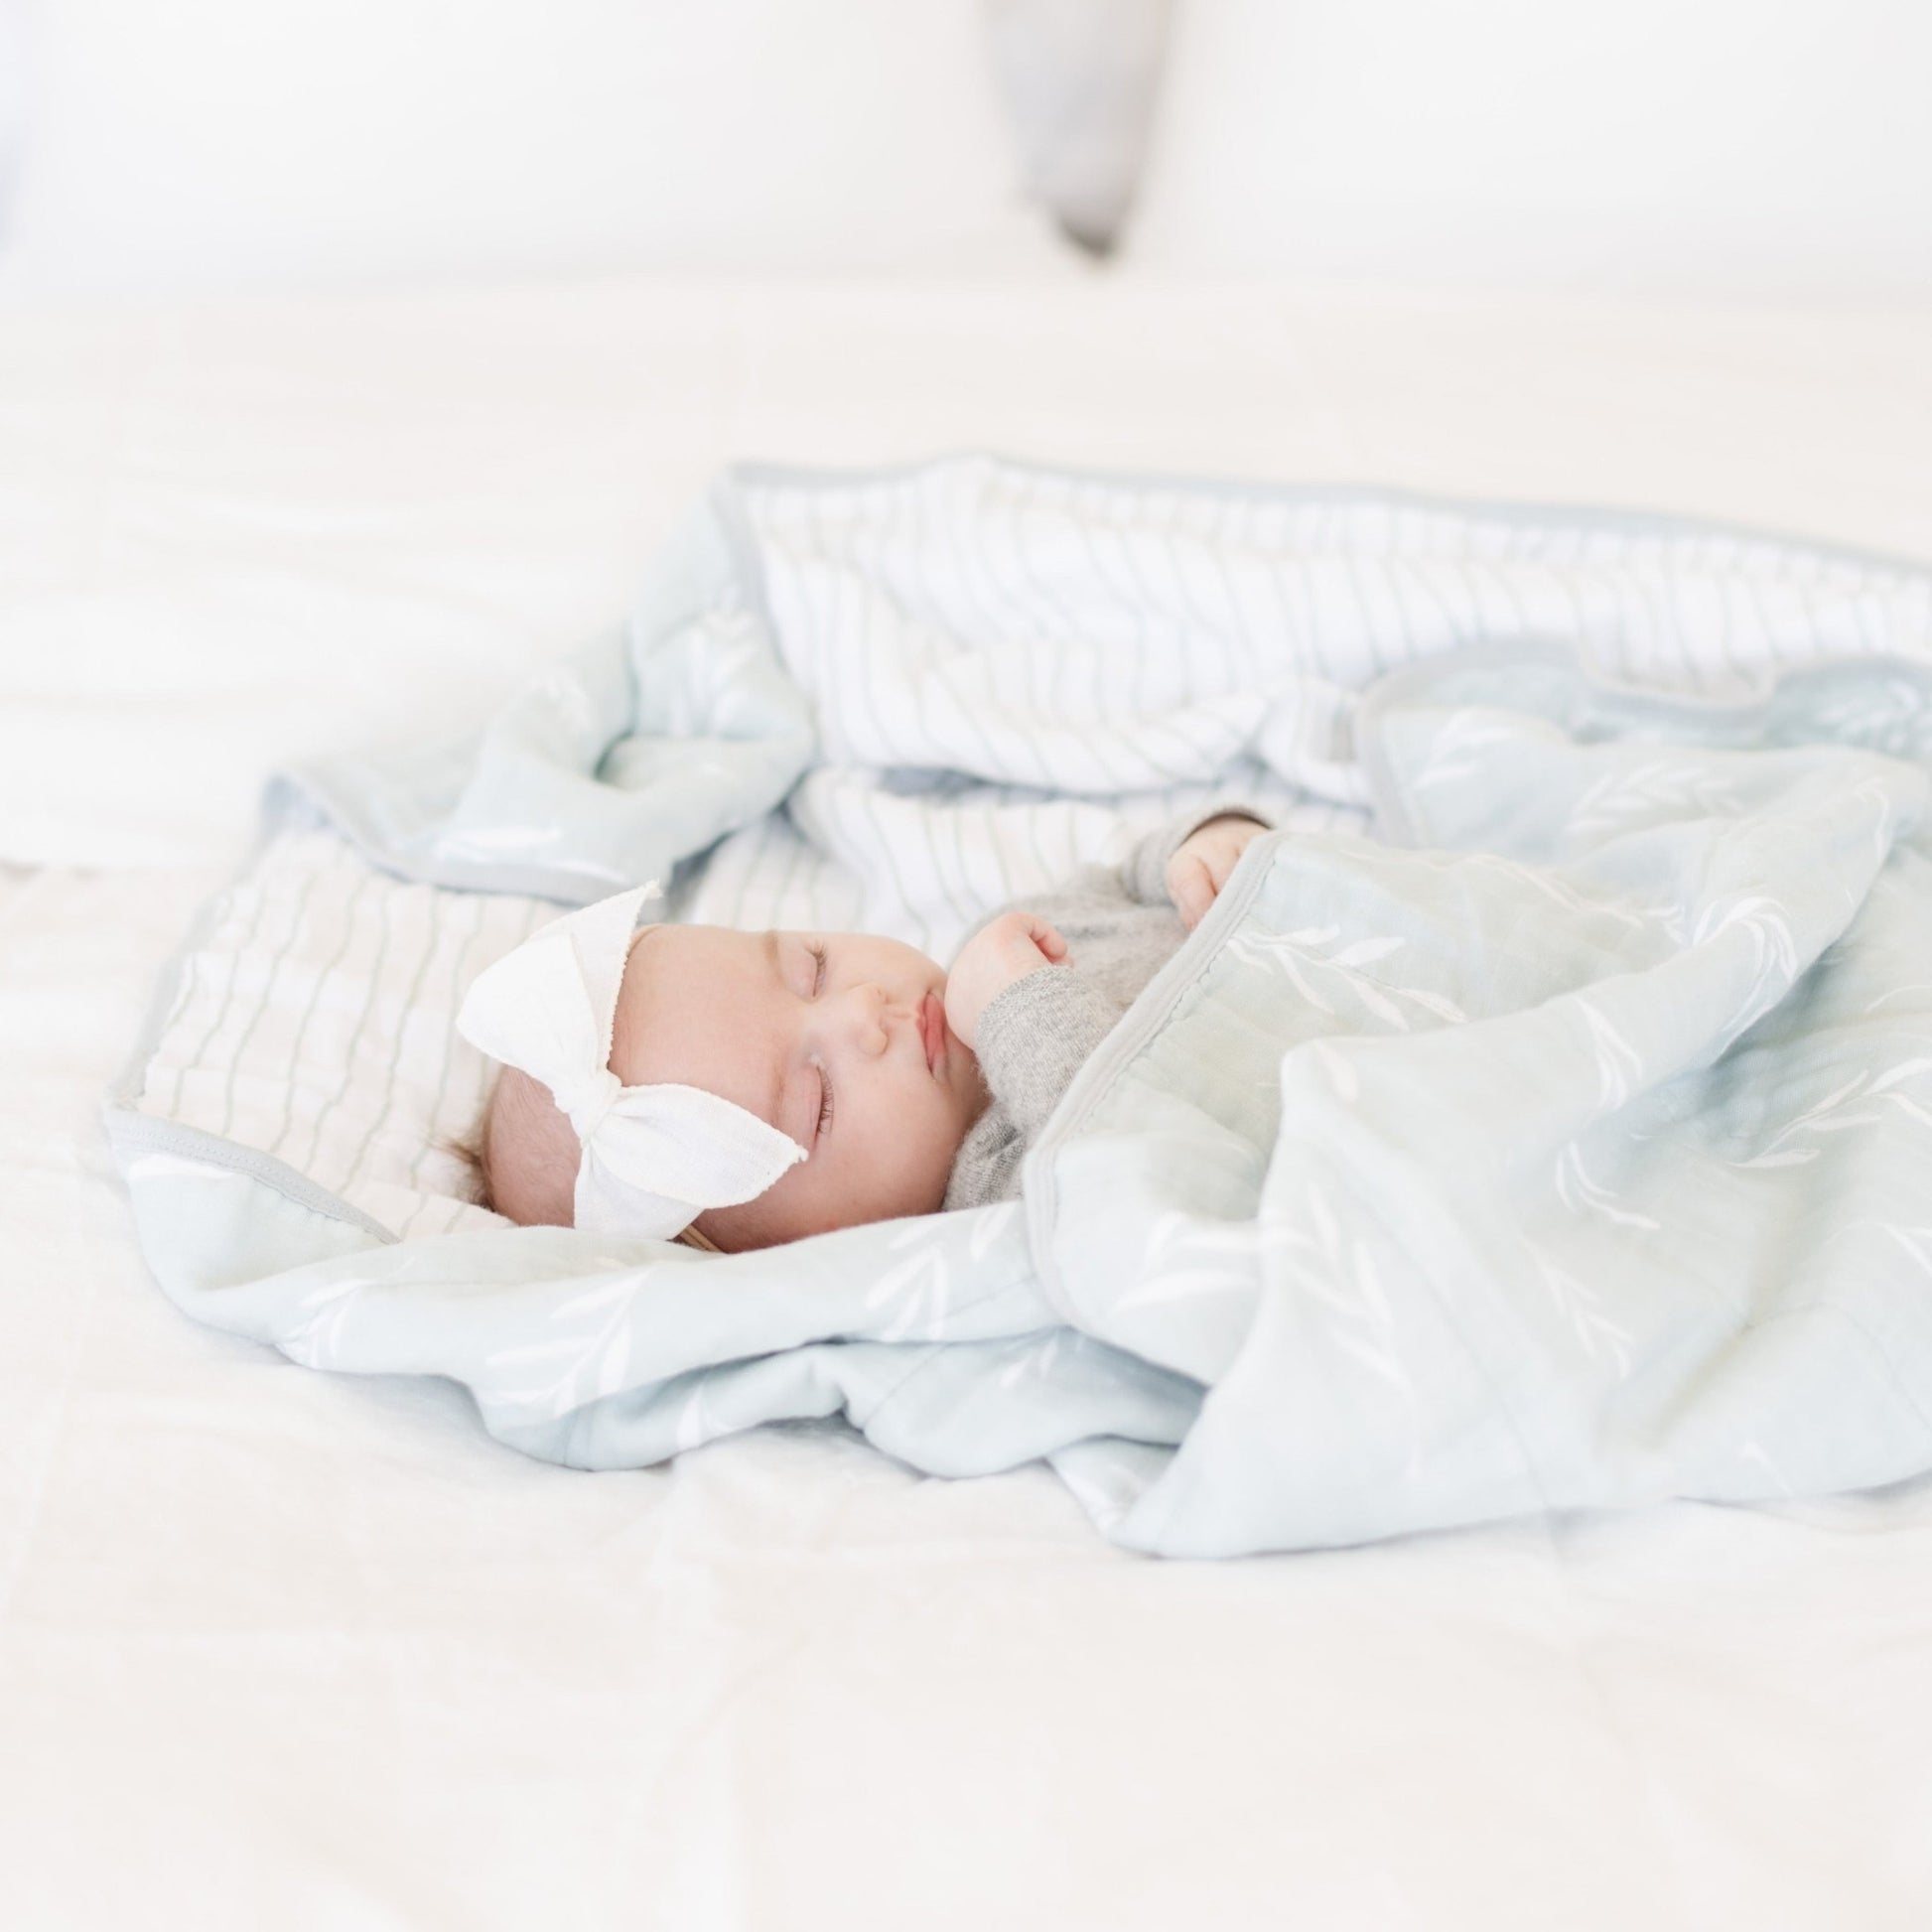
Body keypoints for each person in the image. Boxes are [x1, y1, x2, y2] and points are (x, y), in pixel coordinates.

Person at [464, 803, 1274, 1252]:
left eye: (811, 965)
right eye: (816, 1100)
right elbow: (1160, 1165)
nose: (861, 1013)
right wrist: (1021, 1011)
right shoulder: (1003, 1197)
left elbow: (1122, 887)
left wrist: (1204, 849)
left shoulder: (992, 950)